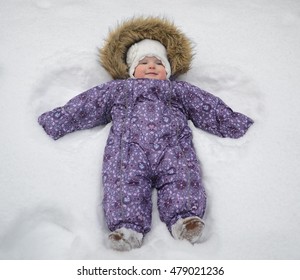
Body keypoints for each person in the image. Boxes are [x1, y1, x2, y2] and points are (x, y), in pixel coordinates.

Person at [38, 17, 253, 251]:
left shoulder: (179, 91)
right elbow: (89, 104)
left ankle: (186, 219)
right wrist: (57, 120)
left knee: (183, 178)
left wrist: (235, 124)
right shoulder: (119, 90)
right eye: (144, 62)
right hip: (128, 151)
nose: (152, 66)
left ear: (168, 70)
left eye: (158, 63)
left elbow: (208, 107)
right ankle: (127, 228)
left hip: (173, 148)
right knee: (122, 183)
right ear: (132, 70)